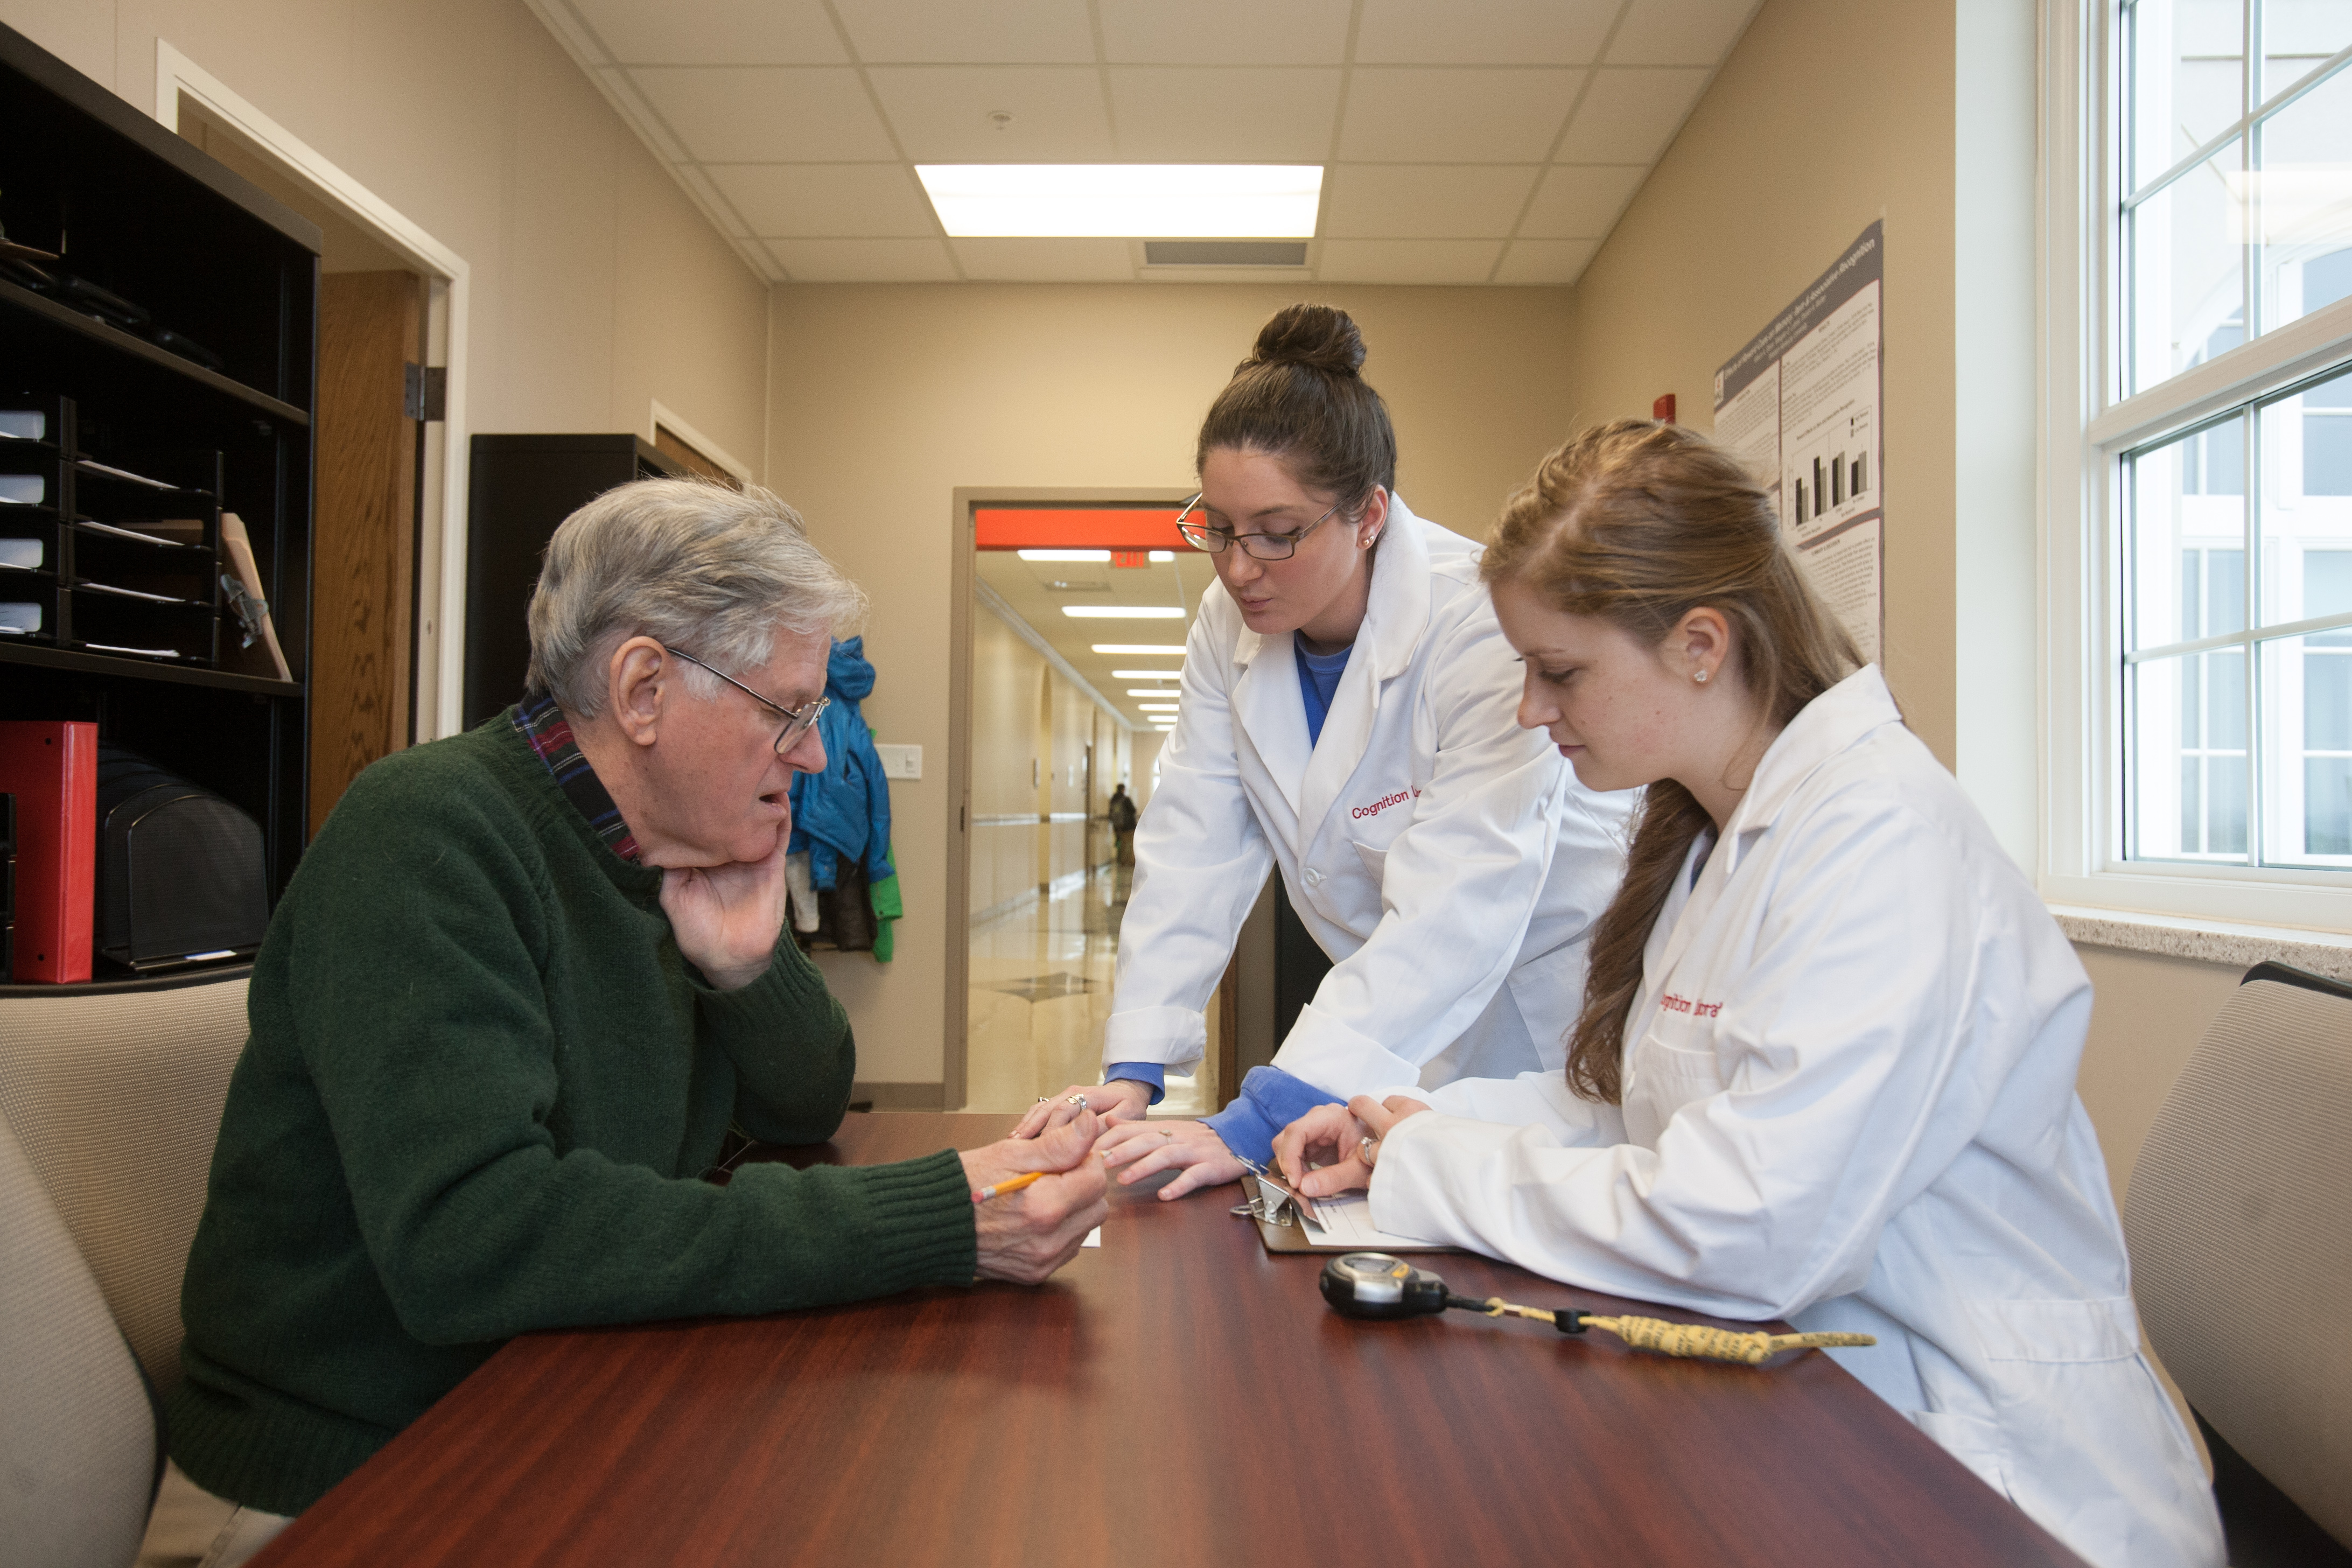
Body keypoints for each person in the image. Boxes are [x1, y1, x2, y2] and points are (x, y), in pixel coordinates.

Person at [1268, 422, 2224, 1568]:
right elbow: (1647, 1111)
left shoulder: (1881, 842)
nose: (1531, 708)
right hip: (1832, 1409)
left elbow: (1752, 1227)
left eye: (1559, 670)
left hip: (1986, 1476)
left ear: (1701, 645)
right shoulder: (1716, 834)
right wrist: (1403, 1122)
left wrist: (1440, 1169)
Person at [157, 479, 1107, 1552]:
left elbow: (807, 1102)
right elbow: (475, 1239)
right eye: (791, 712)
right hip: (357, 1468)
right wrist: (935, 1220)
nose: (811, 754)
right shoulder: (427, 835)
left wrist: (749, 968)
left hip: (553, 1395)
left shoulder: (671, 847)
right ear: (645, 687)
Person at [1014, 304, 1630, 1194]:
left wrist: (1255, 1117)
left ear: (1368, 513)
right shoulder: (1222, 629)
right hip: (1379, 1031)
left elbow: (1464, 897)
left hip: (1540, 1022)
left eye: (1277, 531)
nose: (1236, 567)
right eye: (1217, 528)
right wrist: (1134, 1070)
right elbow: (1194, 841)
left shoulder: (1479, 623)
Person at [1107, 782, 1139, 867]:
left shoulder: (1113, 800)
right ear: (1123, 790)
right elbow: (1133, 810)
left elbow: (1111, 813)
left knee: (1121, 844)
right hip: (1129, 826)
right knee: (1131, 844)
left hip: (1118, 826)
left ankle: (1122, 861)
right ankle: (1130, 861)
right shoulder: (1126, 799)